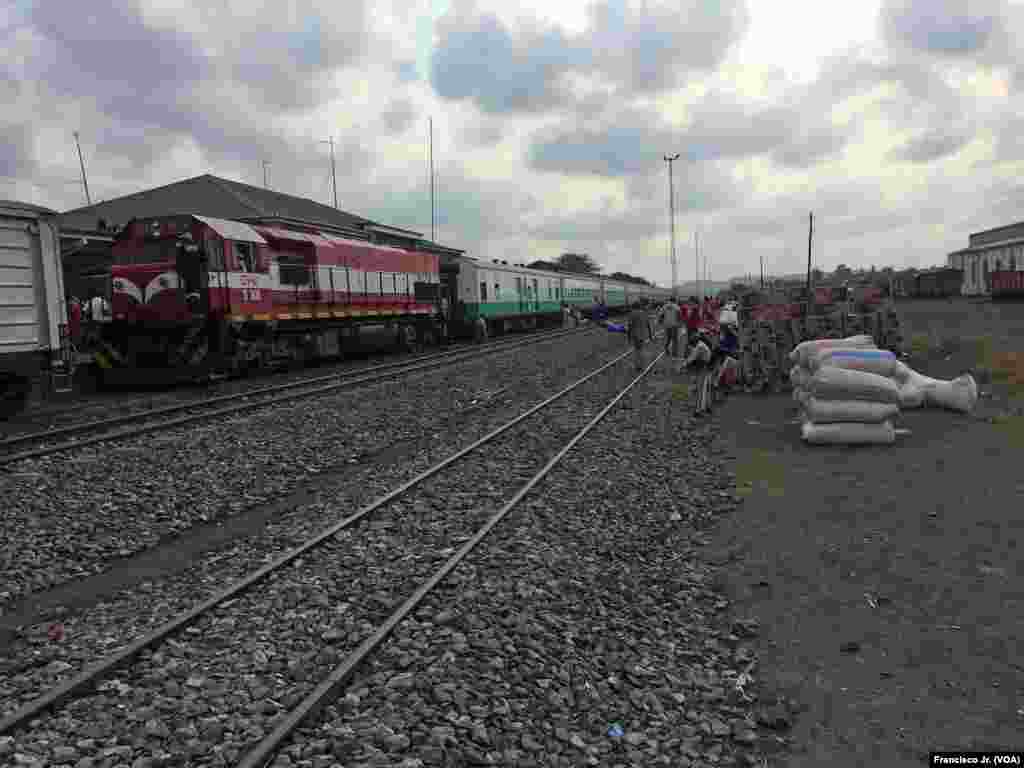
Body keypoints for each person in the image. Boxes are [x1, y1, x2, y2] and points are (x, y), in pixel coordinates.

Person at [627, 303, 654, 372]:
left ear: (634, 307)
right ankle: (641, 365)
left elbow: (629, 326)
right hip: (643, 335)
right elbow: (648, 325)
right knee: (641, 350)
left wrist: (629, 337)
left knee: (637, 351)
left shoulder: (632, 314)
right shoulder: (644, 313)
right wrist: (650, 336)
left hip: (635, 335)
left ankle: (638, 366)